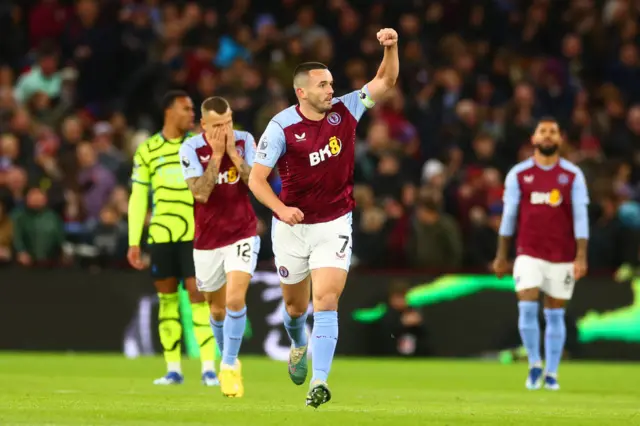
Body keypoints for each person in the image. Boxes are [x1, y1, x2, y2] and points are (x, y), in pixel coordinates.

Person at [248, 28, 399, 407]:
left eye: (331, 83)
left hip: (334, 224)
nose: (331, 90)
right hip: (291, 228)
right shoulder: (281, 127)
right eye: (322, 85)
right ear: (302, 92)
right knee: (296, 308)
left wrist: (391, 47)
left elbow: (386, 79)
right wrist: (280, 208)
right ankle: (298, 342)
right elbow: (256, 179)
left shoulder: (347, 109)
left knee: (327, 300)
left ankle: (320, 381)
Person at [127, 91, 217, 386]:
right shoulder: (148, 150)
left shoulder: (199, 148)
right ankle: (173, 369)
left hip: (194, 235)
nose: (192, 113)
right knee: (167, 300)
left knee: (198, 297)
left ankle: (208, 369)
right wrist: (134, 241)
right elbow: (138, 197)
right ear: (169, 111)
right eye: (186, 108)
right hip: (162, 235)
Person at [492, 117, 590, 391]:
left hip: (562, 254)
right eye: (543, 131)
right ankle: (534, 364)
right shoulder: (519, 175)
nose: (547, 136)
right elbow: (509, 216)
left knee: (555, 313)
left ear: (560, 140)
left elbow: (581, 218)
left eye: (553, 132)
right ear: (534, 139)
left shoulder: (572, 176)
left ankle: (552, 372)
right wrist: (501, 255)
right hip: (528, 252)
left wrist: (581, 256)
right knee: (526, 303)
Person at [180, 96, 259, 398]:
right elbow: (199, 194)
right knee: (215, 307)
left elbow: (256, 183)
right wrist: (215, 156)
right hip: (207, 240)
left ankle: (226, 366)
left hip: (242, 232)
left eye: (227, 123)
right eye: (216, 126)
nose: (223, 130)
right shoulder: (190, 149)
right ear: (203, 125)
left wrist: (233, 156)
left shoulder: (245, 140)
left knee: (235, 300)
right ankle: (231, 358)